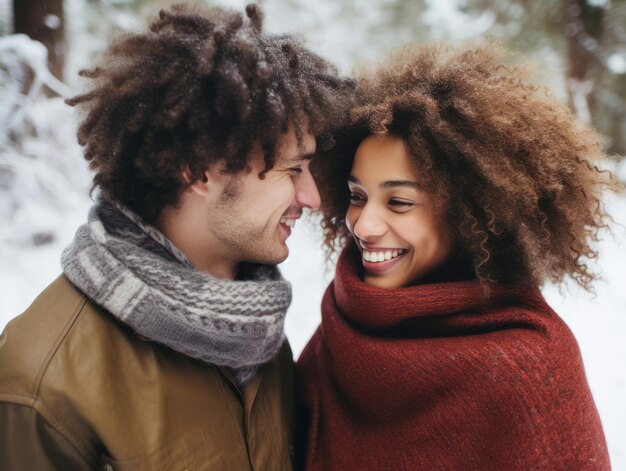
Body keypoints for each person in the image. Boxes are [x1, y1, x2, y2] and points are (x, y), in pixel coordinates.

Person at [0, 3, 352, 469]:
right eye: (291, 169)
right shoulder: (43, 385)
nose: (311, 197)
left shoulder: (254, 329)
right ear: (199, 170)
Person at [297, 42, 615, 470]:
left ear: (472, 216)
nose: (364, 225)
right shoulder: (337, 335)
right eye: (357, 196)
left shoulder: (527, 368)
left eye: (399, 203)